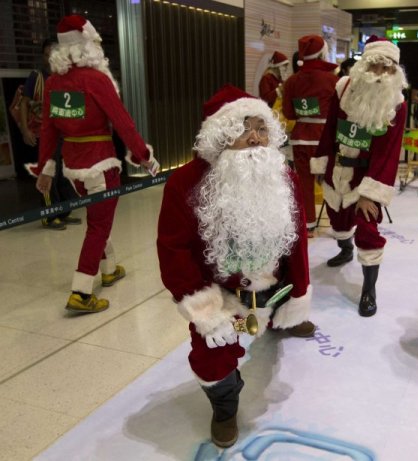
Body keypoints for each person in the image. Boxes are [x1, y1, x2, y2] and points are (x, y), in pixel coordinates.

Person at [157, 84, 315, 448]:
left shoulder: (284, 174)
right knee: (212, 358)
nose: (257, 139)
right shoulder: (184, 183)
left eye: (262, 128)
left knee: (275, 314)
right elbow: (173, 249)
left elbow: (297, 240)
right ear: (222, 135)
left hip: (274, 285)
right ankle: (225, 407)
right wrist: (206, 310)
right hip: (223, 295)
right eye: (245, 129)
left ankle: (277, 318)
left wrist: (300, 291)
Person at [34, 15, 159, 314]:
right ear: (86, 46)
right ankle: (81, 291)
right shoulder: (96, 80)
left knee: (97, 221)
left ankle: (110, 269)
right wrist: (145, 157)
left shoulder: (53, 83)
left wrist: (45, 169)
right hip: (101, 165)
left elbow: (48, 129)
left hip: (73, 168)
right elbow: (123, 124)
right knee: (99, 226)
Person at [311, 36, 408, 317]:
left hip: (367, 177)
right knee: (338, 218)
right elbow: (330, 129)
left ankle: (368, 289)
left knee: (368, 230)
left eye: (387, 69)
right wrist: (322, 165)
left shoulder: (397, 104)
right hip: (337, 167)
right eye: (374, 66)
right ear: (364, 65)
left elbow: (388, 152)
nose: (379, 75)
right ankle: (344, 249)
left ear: (395, 72)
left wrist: (369, 194)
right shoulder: (343, 89)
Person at [20, 38, 80, 230]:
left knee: (62, 173)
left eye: (52, 54)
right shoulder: (36, 77)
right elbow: (24, 103)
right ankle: (49, 216)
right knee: (47, 173)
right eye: (46, 55)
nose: (49, 58)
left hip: (61, 134)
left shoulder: (64, 76)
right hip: (42, 133)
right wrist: (25, 129)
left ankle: (62, 212)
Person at [282, 35, 338, 237]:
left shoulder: (291, 81)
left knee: (304, 182)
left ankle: (309, 225)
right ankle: (337, 223)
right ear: (322, 52)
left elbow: (288, 113)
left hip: (300, 138)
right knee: (331, 181)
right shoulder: (333, 80)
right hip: (325, 138)